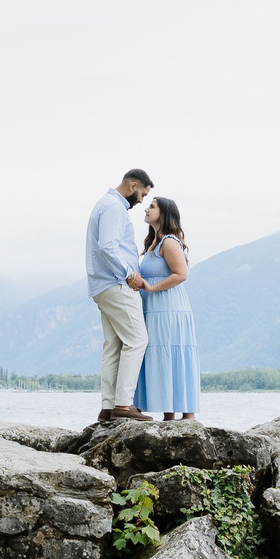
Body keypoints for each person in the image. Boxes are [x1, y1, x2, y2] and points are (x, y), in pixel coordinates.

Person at [85, 169, 156, 421]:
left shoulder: (104, 204)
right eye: (142, 194)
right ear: (133, 185)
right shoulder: (114, 207)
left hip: (102, 285)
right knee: (137, 340)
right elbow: (108, 246)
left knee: (113, 345)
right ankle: (123, 405)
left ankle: (107, 407)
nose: (141, 201)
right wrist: (129, 273)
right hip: (116, 283)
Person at [131, 195, 199, 421]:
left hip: (169, 307)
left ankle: (187, 416)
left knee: (172, 353)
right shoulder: (152, 242)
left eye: (152, 207)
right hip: (154, 307)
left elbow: (182, 274)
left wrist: (152, 288)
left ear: (164, 213)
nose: (146, 210)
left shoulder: (169, 241)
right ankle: (169, 415)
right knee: (161, 355)